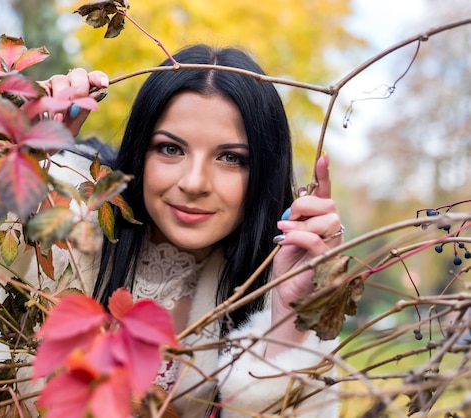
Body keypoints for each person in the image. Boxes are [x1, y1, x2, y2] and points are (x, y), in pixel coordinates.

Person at [37, 44, 342, 417]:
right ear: (140, 151)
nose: (194, 182)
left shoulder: (268, 283)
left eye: (231, 158)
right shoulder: (65, 223)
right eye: (170, 149)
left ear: (264, 172)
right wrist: (16, 165)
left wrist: (288, 322)